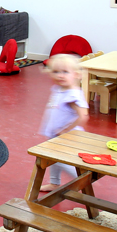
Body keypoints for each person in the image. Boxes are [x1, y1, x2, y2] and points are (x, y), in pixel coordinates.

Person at [38, 54, 90, 193]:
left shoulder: (72, 94)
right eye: (56, 72)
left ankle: (83, 179)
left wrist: (65, 130)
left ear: (76, 74)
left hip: (67, 135)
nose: (60, 76)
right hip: (56, 133)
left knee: (59, 159)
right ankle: (54, 183)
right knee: (52, 159)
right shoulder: (59, 89)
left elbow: (83, 116)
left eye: (65, 72)